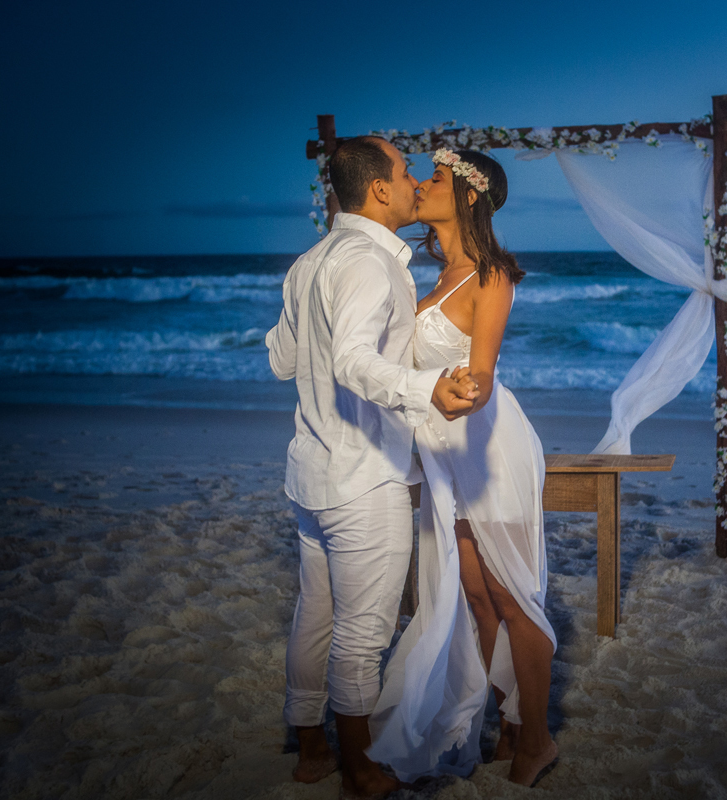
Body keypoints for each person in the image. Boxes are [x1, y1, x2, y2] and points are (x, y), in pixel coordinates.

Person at [265, 135, 479, 799]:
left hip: (312, 475)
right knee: (362, 637)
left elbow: (283, 360)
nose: (416, 179)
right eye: (406, 170)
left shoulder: (312, 261)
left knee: (315, 616)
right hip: (362, 479)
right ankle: (359, 771)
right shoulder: (366, 261)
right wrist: (426, 390)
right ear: (379, 189)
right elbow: (351, 363)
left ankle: (310, 748)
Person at [367, 148, 558, 787]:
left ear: (469, 196)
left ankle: (537, 738)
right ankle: (502, 724)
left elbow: (479, 377)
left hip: (490, 446)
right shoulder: (440, 274)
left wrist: (437, 397)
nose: (420, 185)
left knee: (510, 596)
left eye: (437, 179)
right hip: (447, 453)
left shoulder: (490, 274)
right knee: (475, 596)